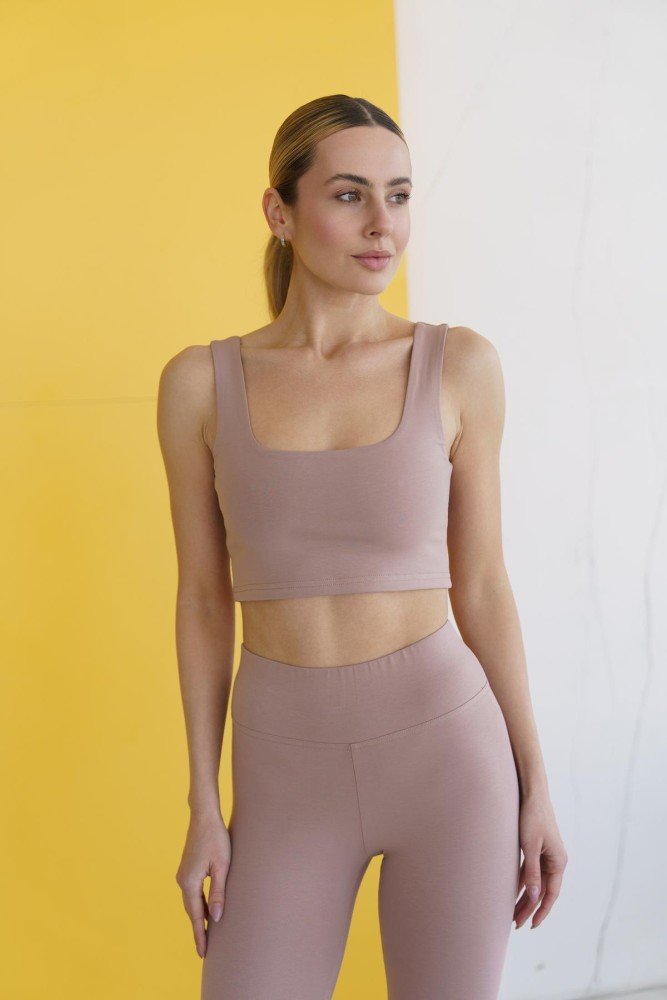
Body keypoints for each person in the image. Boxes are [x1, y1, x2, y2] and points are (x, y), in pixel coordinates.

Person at [157, 94, 568, 1000]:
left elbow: (483, 584)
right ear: (280, 211)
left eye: (399, 194)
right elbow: (201, 599)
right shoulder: (199, 384)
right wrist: (203, 803)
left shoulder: (459, 365)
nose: (384, 224)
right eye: (349, 195)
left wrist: (535, 781)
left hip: (448, 758)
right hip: (282, 771)